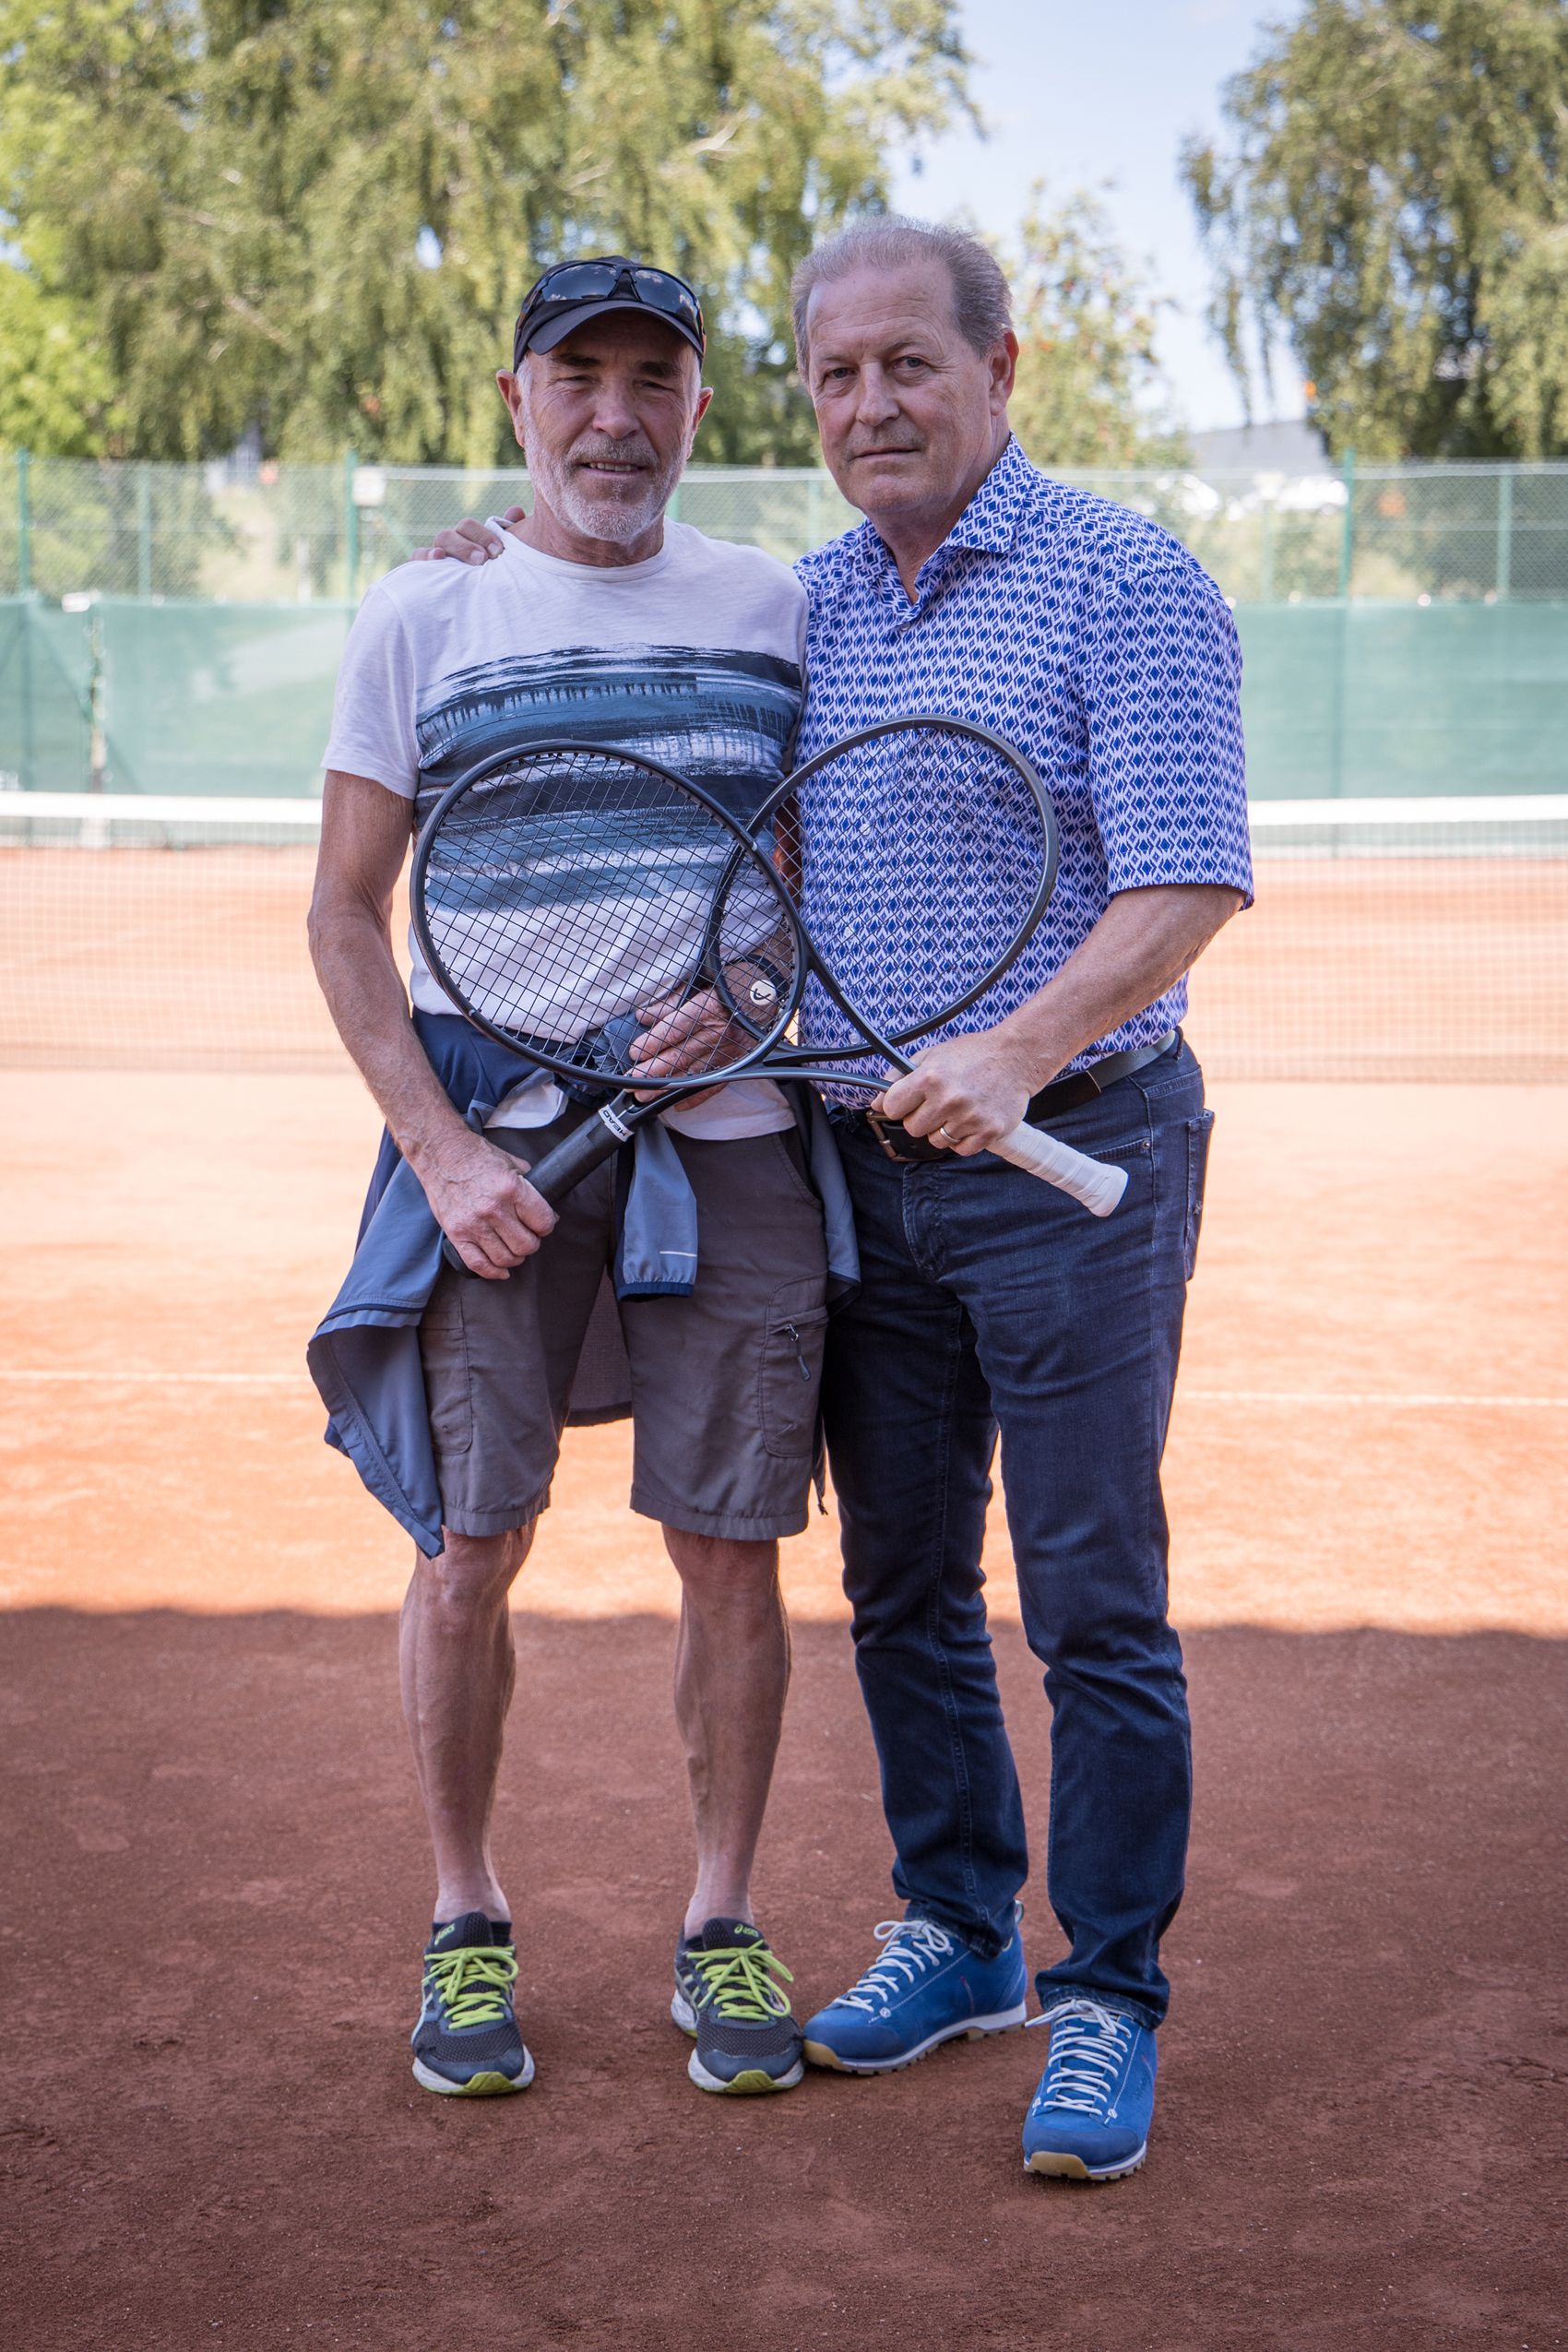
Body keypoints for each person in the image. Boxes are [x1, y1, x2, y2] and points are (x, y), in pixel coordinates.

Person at [422, 218, 1253, 2181]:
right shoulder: (814, 605)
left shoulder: (1123, 582)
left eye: (909, 363)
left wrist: (1016, 1052)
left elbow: (1186, 879)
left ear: (1000, 369)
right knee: (897, 1585)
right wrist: (490, 560)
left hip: (1072, 1173)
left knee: (1090, 1599)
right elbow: (683, 715)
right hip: (859, 1166)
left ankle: (1104, 1994)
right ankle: (962, 1931)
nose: (870, 401)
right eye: (837, 373)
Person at [307, 257, 851, 2105]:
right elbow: (340, 914)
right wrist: (443, 1153)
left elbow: (804, 883)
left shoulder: (781, 608)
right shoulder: (418, 612)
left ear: (701, 407)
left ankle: (722, 1920)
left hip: (734, 1138)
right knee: (468, 1552)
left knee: (732, 1549)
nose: (615, 412)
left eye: (654, 378)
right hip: (493, 1141)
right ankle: (466, 1922)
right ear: (519, 395)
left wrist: (750, 996)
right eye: (579, 374)